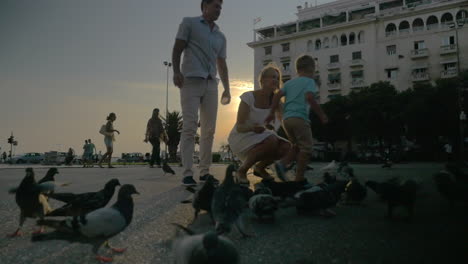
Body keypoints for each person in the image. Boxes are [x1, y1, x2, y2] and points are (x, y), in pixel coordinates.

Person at [172, 0, 231, 186]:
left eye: (221, 7)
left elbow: (222, 63)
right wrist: (176, 71)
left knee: (209, 130)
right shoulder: (189, 23)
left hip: (211, 84)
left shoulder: (221, 36)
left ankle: (205, 172)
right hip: (190, 80)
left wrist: (227, 88)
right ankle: (187, 173)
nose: (219, 10)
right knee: (189, 127)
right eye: (216, 5)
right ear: (205, 6)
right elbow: (178, 48)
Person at [265, 54, 328, 186]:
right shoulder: (310, 82)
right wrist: (322, 114)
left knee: (296, 147)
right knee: (307, 148)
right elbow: (310, 98)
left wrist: (271, 112)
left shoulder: (289, 83)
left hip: (287, 120)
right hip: (300, 118)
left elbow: (277, 95)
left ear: (297, 69)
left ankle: (281, 165)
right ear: (312, 69)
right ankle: (298, 178)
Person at [228, 65, 293, 185]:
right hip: (242, 136)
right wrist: (253, 128)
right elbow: (240, 127)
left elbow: (287, 122)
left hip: (264, 138)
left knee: (287, 147)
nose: (275, 80)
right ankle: (242, 171)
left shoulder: (277, 103)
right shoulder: (248, 97)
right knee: (272, 139)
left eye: (277, 78)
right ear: (262, 79)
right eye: (272, 77)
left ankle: (260, 168)